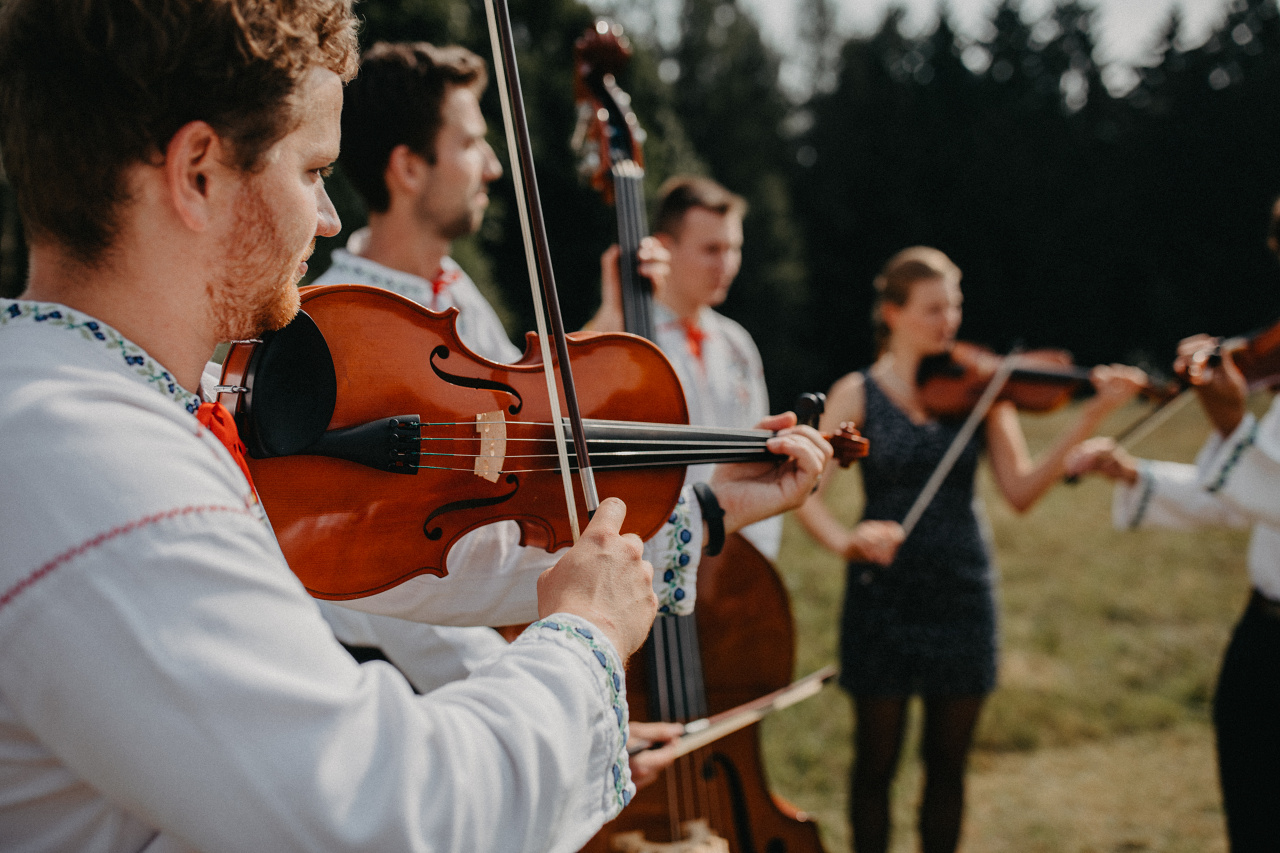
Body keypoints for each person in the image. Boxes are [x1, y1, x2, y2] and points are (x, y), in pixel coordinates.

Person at [0, 3, 831, 851]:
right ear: (199, 172)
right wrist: (584, 643)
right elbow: (388, 811)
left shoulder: (127, 408)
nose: (326, 217)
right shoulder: (100, 465)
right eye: (314, 169)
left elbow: (419, 555)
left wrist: (704, 511)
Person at [303, 40, 685, 772]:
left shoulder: (449, 297)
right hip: (397, 714)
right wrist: (565, 715)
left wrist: (612, 314)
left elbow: (522, 443)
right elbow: (407, 583)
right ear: (410, 167)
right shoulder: (349, 339)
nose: (493, 166)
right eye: (473, 142)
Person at [794, 246, 1145, 853]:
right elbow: (805, 494)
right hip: (884, 594)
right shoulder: (857, 394)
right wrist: (846, 542)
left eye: (955, 305)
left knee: (948, 768)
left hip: (963, 592)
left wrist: (1091, 416)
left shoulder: (985, 389)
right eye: (934, 308)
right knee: (874, 766)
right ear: (893, 313)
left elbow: (1021, 491)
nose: (949, 320)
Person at [1066, 331, 1280, 852]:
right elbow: (1252, 503)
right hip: (1264, 630)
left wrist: (1232, 424)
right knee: (1255, 811)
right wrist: (1137, 475)